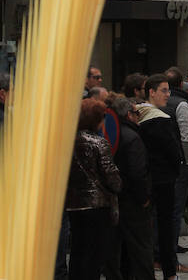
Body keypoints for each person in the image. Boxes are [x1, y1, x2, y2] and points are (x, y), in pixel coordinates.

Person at [65, 99, 122, 280]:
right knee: (94, 253)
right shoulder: (99, 143)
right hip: (98, 204)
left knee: (78, 250)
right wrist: (118, 185)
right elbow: (110, 175)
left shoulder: (67, 142)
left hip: (74, 203)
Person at [103, 96, 154, 280]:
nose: (138, 116)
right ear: (128, 115)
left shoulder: (110, 135)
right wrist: (144, 198)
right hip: (132, 201)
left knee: (116, 250)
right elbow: (137, 173)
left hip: (115, 199)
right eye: (136, 112)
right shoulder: (132, 138)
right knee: (141, 249)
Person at [138, 74, 182, 280]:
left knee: (143, 227)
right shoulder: (161, 120)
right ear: (151, 92)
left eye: (168, 90)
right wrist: (177, 168)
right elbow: (173, 151)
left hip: (142, 178)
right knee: (165, 227)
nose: (168, 95)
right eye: (163, 90)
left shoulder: (137, 115)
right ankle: (169, 272)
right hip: (163, 179)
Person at [164, 66, 188, 258]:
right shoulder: (181, 104)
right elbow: (186, 137)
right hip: (180, 163)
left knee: (166, 208)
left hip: (164, 161)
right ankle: (169, 250)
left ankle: (166, 247)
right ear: (181, 83)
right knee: (176, 208)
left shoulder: (160, 102)